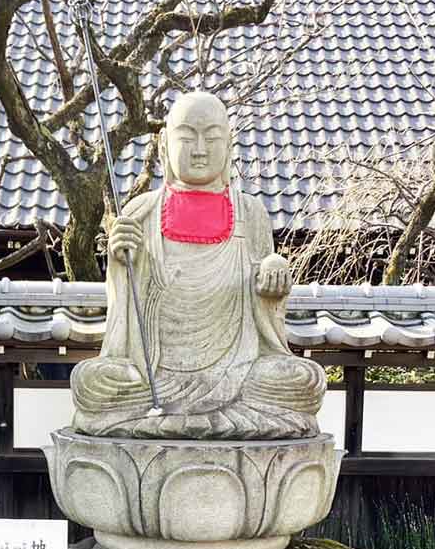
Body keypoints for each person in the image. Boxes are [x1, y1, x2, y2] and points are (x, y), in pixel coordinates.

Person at [71, 91, 324, 439]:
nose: (200, 149)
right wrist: (120, 260)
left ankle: (173, 424)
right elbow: (124, 313)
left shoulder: (250, 214)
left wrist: (274, 272)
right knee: (91, 382)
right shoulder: (139, 213)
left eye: (212, 137)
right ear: (164, 148)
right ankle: (217, 424)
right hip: (155, 377)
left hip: (238, 372)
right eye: (187, 137)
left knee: (303, 380)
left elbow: (265, 302)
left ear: (229, 145)